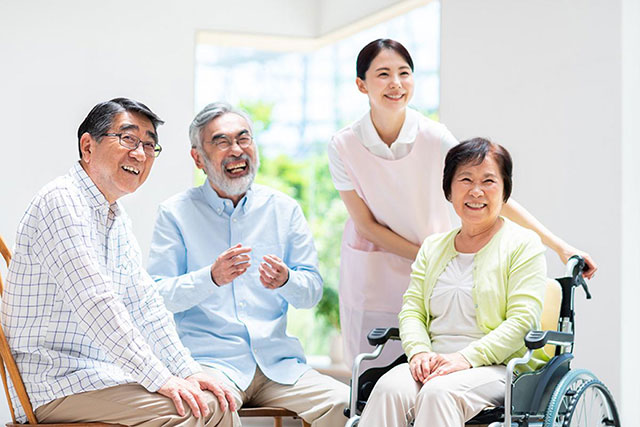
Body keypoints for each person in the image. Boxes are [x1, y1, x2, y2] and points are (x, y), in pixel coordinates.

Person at [327, 38, 597, 364]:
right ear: (361, 84)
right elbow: (366, 226)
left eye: (404, 73)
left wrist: (559, 246)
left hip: (439, 263)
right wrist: (430, 259)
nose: (396, 84)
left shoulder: (434, 136)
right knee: (373, 371)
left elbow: (490, 196)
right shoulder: (343, 145)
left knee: (439, 363)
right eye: (383, 74)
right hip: (376, 267)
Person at [1, 98, 236, 426]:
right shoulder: (61, 201)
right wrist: (161, 378)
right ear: (88, 146)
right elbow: (97, 305)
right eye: (127, 139)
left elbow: (145, 306)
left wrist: (187, 369)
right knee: (201, 409)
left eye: (150, 145)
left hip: (98, 375)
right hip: (55, 383)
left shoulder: (114, 216)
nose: (140, 154)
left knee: (214, 399)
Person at [147, 102, 349, 427]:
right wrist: (210, 278)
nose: (237, 150)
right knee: (211, 407)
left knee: (343, 404)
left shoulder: (284, 209)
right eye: (222, 142)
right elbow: (157, 296)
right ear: (198, 157)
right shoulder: (175, 213)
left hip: (278, 366)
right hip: (212, 364)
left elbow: (311, 293)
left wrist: (286, 281)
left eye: (244, 139)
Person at [358, 137, 549, 426]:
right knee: (388, 389)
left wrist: (464, 358)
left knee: (438, 393)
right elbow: (412, 311)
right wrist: (420, 352)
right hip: (434, 361)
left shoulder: (523, 245)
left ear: (505, 190)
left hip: (497, 366)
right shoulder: (433, 247)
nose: (476, 191)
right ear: (449, 189)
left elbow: (522, 321)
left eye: (488, 181)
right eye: (465, 179)